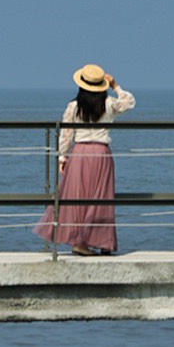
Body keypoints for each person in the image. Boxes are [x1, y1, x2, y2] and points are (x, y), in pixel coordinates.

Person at [34, 64, 135, 256]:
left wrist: (63, 157)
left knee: (77, 198)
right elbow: (129, 102)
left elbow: (66, 134)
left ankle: (80, 240)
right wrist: (115, 85)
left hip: (80, 153)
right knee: (101, 198)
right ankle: (102, 241)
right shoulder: (109, 104)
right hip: (101, 153)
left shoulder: (74, 106)